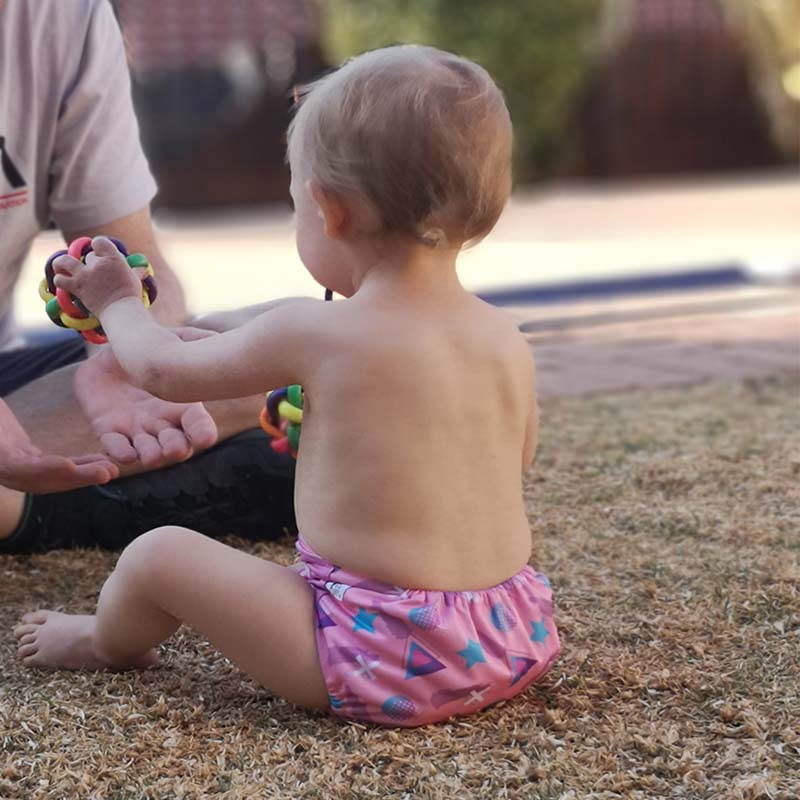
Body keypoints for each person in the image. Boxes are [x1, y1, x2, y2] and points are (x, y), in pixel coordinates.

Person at [13, 45, 560, 727]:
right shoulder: (502, 336)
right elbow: (515, 459)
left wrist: (118, 302)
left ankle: (100, 641)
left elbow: (160, 372)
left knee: (159, 555)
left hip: (381, 657)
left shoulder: (314, 332)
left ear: (329, 211)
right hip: (509, 636)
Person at [0, 0, 296, 553]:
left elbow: (133, 262)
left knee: (285, 342)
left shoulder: (66, 17)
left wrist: (139, 355)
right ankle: (45, 510)